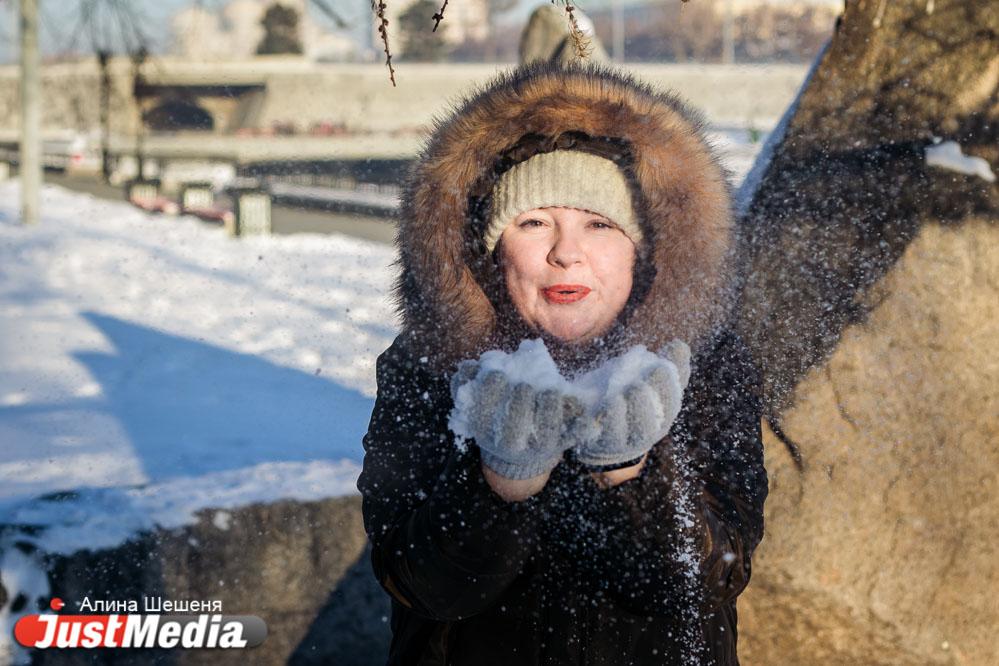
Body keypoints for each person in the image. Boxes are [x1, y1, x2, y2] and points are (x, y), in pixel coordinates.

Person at [357, 62, 767, 666]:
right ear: (493, 250)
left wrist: (634, 478)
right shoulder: (429, 367)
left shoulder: (706, 366)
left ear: (643, 252)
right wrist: (499, 485)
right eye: (534, 223)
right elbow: (417, 583)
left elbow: (710, 579)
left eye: (599, 225)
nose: (566, 253)